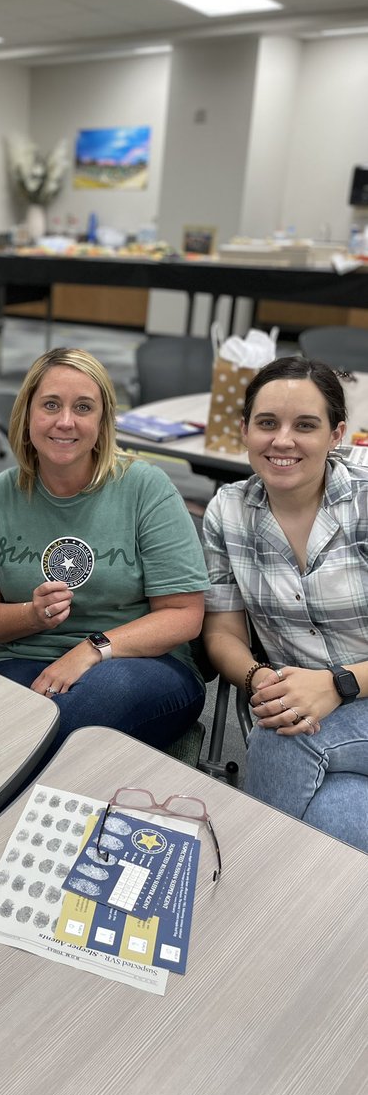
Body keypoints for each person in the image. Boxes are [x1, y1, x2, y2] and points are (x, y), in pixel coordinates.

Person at [0, 348, 209, 748]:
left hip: (141, 662)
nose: (65, 421)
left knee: (54, 726)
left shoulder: (144, 487)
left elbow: (184, 615)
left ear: (102, 421)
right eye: (51, 404)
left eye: (84, 407)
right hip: (23, 660)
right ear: (27, 414)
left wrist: (92, 649)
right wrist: (32, 616)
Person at [202, 356, 368, 850]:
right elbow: (222, 633)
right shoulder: (228, 512)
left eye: (306, 426)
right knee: (334, 823)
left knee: (282, 735)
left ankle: (245, 876)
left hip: (345, 698)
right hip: (304, 705)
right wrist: (262, 681)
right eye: (267, 423)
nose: (282, 441)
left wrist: (339, 684)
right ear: (244, 429)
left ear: (337, 433)